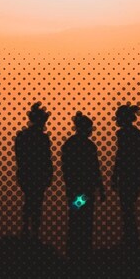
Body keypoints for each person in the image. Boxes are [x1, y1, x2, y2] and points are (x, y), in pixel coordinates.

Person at [61, 112, 105, 258]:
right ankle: (82, 250)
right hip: (84, 190)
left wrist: (69, 185)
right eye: (90, 128)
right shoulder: (88, 145)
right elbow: (95, 168)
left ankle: (75, 249)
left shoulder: (69, 144)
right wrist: (101, 188)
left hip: (77, 189)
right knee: (84, 219)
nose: (91, 130)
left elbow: (66, 168)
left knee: (76, 217)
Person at [111, 104, 140, 247]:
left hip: (130, 174)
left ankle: (131, 238)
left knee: (127, 206)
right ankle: (131, 237)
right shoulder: (137, 134)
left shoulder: (125, 134)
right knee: (127, 206)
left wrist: (114, 176)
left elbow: (121, 156)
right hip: (137, 174)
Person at [14, 103, 53, 240]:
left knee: (30, 201)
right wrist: (48, 174)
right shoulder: (42, 138)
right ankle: (32, 232)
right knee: (35, 202)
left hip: (28, 174)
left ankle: (27, 230)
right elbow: (47, 159)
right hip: (36, 174)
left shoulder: (23, 136)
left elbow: (19, 156)